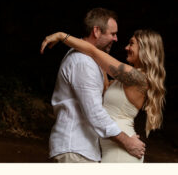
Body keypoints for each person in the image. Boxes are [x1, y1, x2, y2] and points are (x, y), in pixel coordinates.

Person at [41, 27, 166, 162]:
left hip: (121, 148)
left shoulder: (136, 77)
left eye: (131, 44)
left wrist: (62, 36)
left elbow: (94, 52)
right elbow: (104, 86)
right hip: (112, 145)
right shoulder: (125, 79)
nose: (126, 48)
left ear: (145, 49)